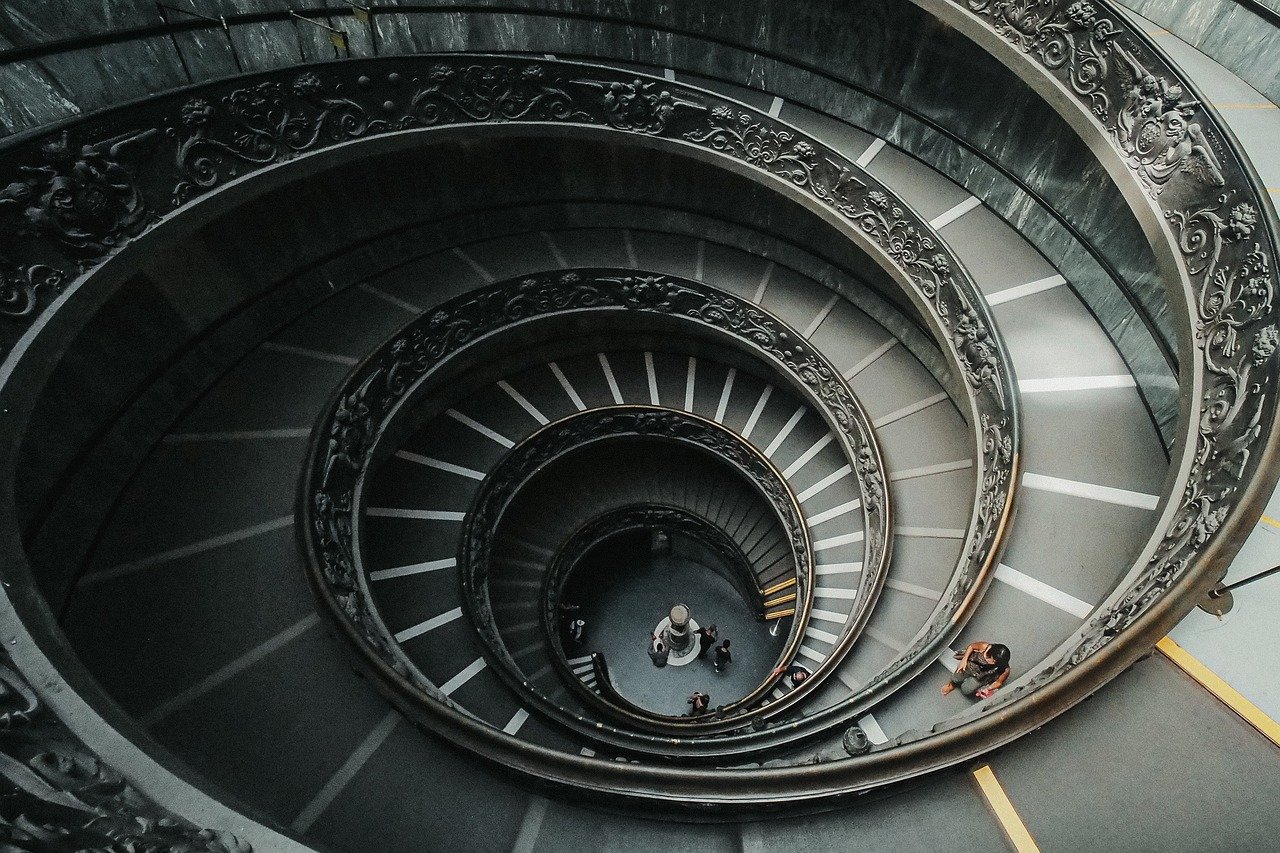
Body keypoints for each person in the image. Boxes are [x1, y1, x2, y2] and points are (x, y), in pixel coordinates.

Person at [942, 641, 1010, 699]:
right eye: (992, 658)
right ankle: (952, 684)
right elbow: (972, 646)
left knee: (966, 690)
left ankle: (976, 688)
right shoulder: (984, 647)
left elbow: (999, 682)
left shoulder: (1005, 669)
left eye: (995, 662)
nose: (992, 662)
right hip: (970, 666)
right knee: (956, 678)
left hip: (981, 677)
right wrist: (964, 660)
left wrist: (988, 688)